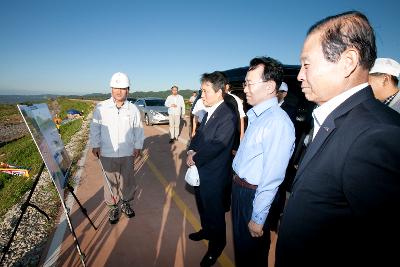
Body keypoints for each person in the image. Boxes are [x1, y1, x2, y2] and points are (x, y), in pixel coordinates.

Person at [276, 11, 400, 267]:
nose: (299, 75)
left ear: (348, 62)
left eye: (307, 64)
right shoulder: (338, 117)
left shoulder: (377, 135)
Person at [231, 57, 295, 267]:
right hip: (241, 191)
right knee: (242, 249)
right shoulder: (259, 116)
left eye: (250, 83)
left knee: (252, 254)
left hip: (254, 195)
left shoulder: (277, 122)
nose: (245, 88)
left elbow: (271, 178)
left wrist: (258, 218)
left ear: (269, 87)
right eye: (245, 83)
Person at [186, 71, 237, 267]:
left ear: (219, 92)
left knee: (215, 212)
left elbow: (218, 144)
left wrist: (195, 157)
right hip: (202, 171)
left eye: (206, 91)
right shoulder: (210, 112)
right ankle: (206, 231)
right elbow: (199, 136)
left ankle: (217, 245)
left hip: (214, 176)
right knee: (202, 207)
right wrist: (191, 149)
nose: (202, 95)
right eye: (201, 91)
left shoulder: (227, 115)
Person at [90, 72, 144, 224]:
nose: (119, 91)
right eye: (116, 88)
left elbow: (138, 129)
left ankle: (126, 203)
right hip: (107, 152)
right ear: (111, 89)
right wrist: (95, 144)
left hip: (127, 151)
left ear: (128, 90)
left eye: (123, 88)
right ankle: (113, 206)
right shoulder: (101, 107)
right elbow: (95, 127)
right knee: (110, 182)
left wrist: (138, 145)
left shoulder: (132, 109)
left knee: (127, 179)